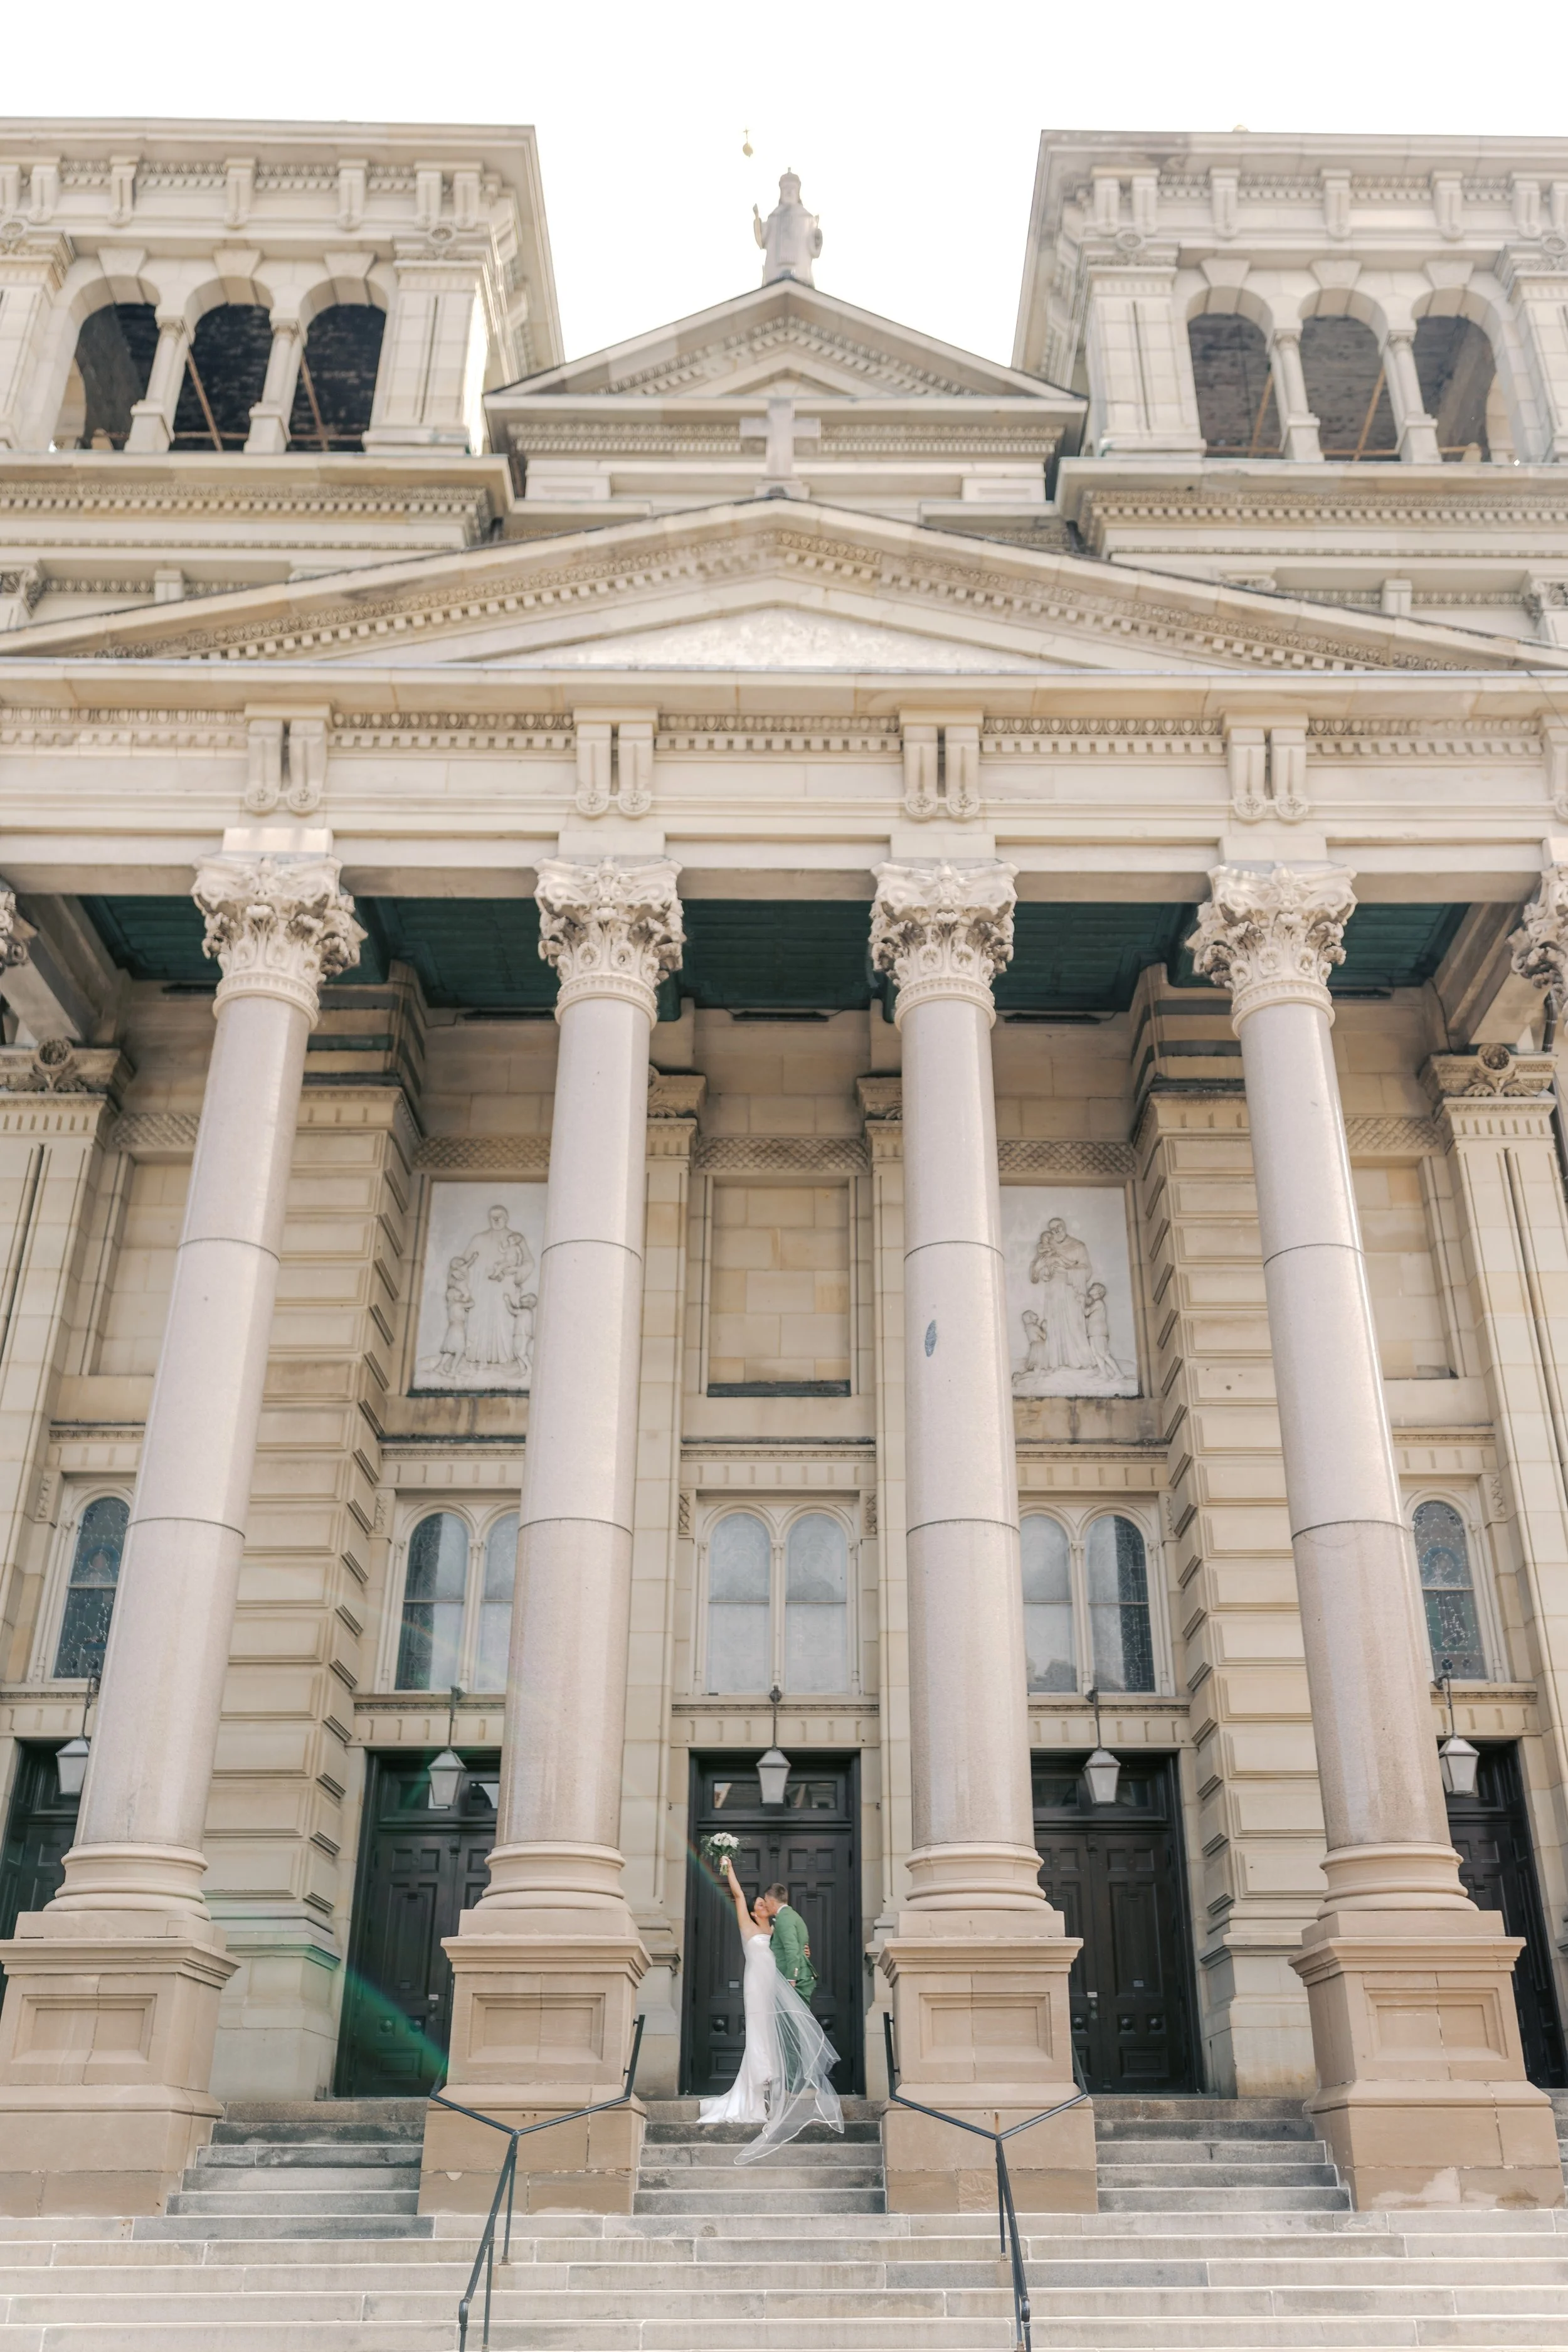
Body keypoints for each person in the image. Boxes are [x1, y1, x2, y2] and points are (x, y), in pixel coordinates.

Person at [698, 1855, 842, 2164]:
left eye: (765, 1901)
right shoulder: (748, 1925)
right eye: (759, 1902)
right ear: (754, 1910)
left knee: (774, 2034)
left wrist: (804, 1953)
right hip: (756, 1987)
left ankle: (772, 2087)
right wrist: (729, 1867)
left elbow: (793, 1949)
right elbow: (737, 1894)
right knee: (759, 2035)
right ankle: (755, 2089)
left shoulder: (779, 1929)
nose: (762, 1903)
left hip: (775, 1990)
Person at [760, 1881, 817, 2001]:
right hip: (797, 1976)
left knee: (794, 2019)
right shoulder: (792, 1915)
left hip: (796, 1980)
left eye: (765, 1900)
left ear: (772, 1901)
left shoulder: (784, 1919)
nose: (765, 1905)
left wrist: (791, 1979)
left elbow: (792, 1948)